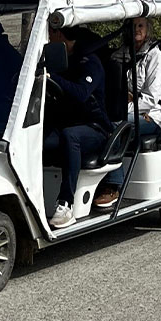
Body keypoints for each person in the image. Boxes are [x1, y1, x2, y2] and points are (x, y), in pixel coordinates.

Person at [94, 17, 161, 210]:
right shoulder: (123, 53)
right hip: (122, 109)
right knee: (96, 124)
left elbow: (151, 98)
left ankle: (113, 185)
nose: (137, 29)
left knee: (115, 127)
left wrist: (123, 107)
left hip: (148, 116)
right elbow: (112, 73)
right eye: (133, 26)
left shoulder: (155, 57)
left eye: (140, 25)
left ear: (148, 28)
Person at [44, 24, 113, 229]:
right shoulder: (60, 61)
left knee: (70, 136)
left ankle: (66, 204)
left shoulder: (90, 63)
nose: (48, 38)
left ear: (58, 34)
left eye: (50, 33)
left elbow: (81, 93)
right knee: (37, 139)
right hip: (68, 124)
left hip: (95, 128)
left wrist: (53, 77)